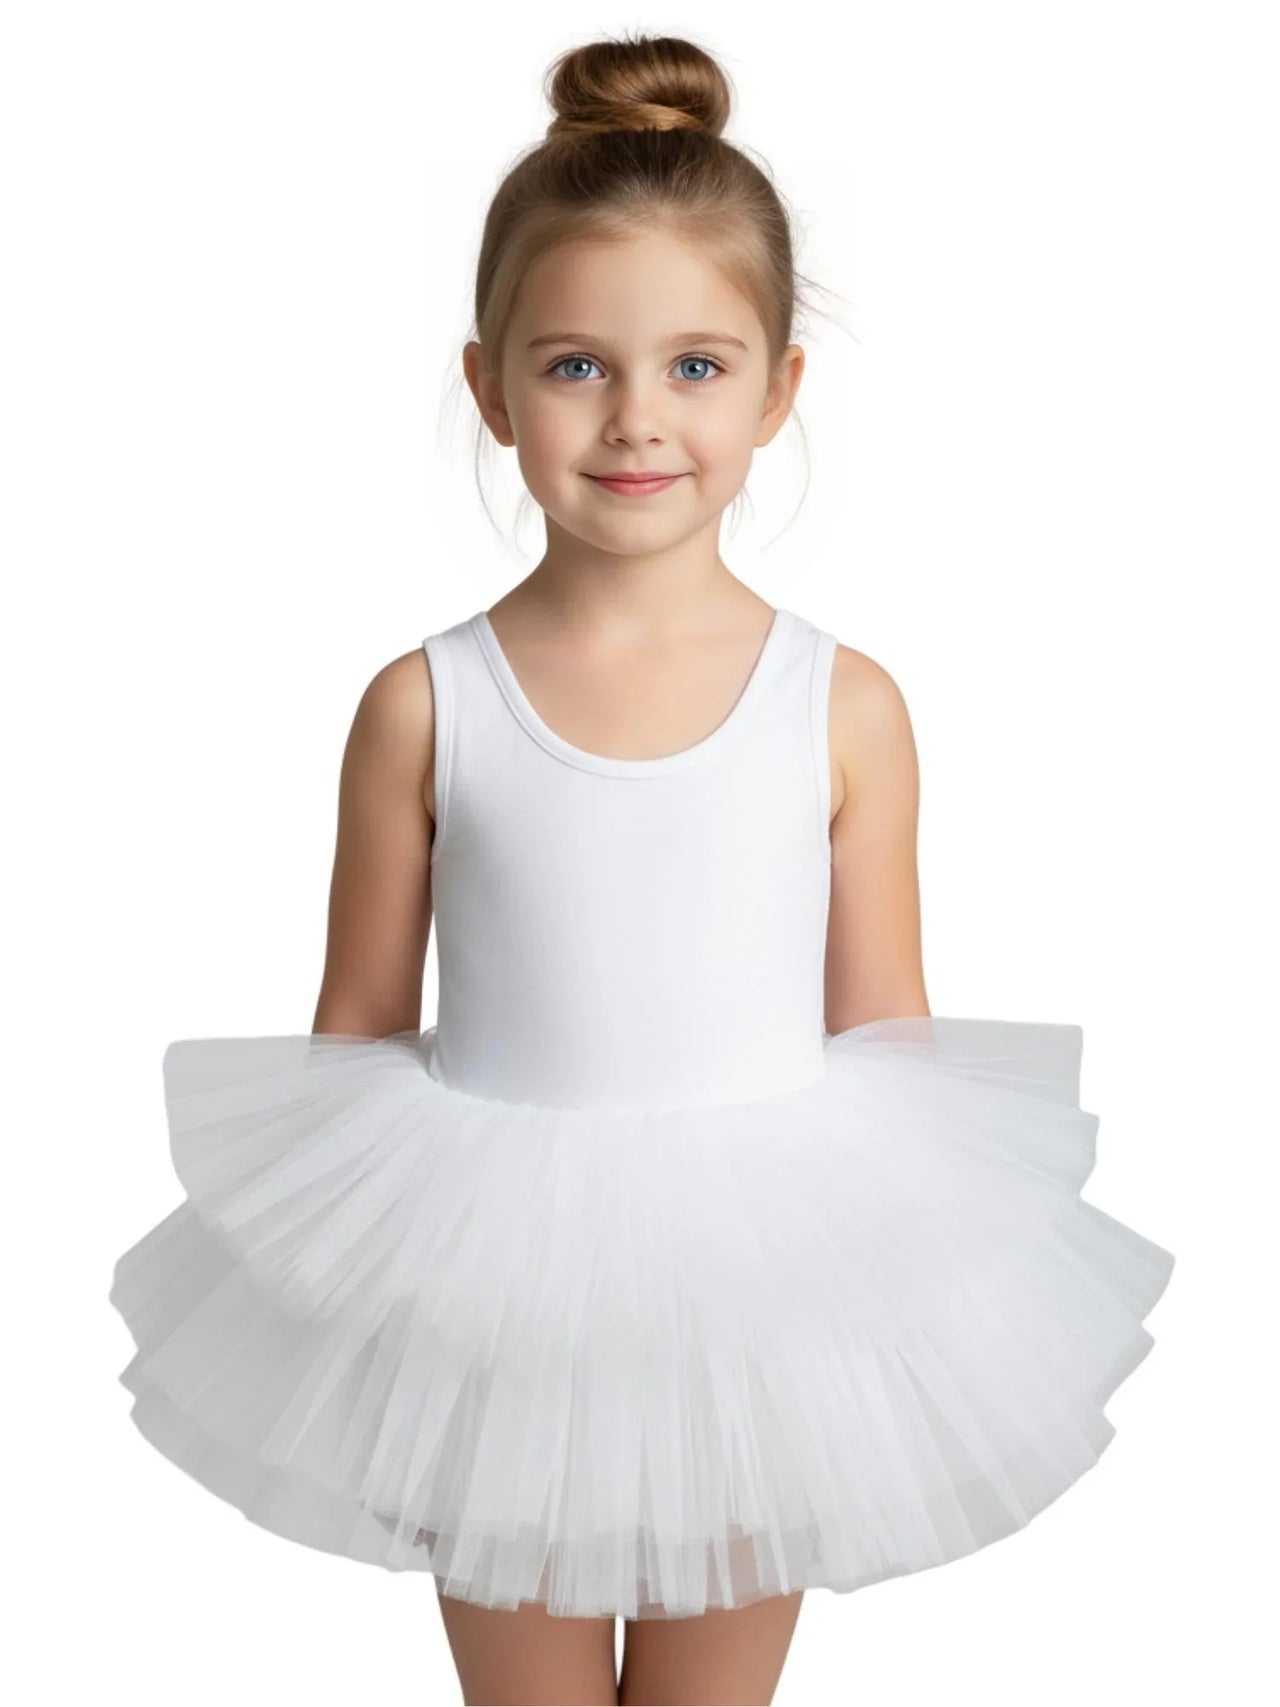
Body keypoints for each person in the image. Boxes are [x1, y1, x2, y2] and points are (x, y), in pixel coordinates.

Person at [109, 29, 1176, 1707]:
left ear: (776, 390)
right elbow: (356, 1038)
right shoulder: (421, 705)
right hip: (495, 1317)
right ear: (488, 384)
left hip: (754, 1311)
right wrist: (384, 1350)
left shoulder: (848, 706)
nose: (633, 421)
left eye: (693, 366)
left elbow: (887, 1031)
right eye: (574, 366)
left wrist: (880, 1335)